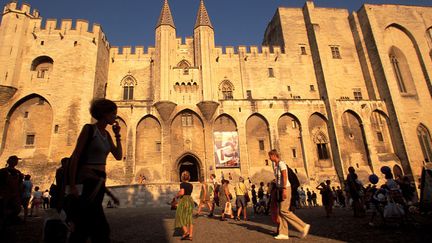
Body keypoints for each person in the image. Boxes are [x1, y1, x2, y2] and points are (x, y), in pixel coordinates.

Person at [68, 98, 122, 242]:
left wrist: (117, 135)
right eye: (113, 113)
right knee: (99, 227)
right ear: (104, 113)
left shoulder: (107, 134)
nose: (115, 116)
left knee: (86, 225)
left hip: (99, 181)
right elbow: (75, 156)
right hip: (88, 181)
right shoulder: (89, 129)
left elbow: (118, 156)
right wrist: (73, 185)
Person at [268, 149, 310, 240]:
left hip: (285, 188)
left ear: (274, 155)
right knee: (281, 212)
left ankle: (303, 226)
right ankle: (283, 233)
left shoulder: (281, 164)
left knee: (284, 210)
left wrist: (284, 189)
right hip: (280, 188)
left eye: (270, 156)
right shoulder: (276, 166)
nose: (269, 158)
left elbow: (284, 176)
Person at [0, 155, 24, 227]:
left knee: (12, 210)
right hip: (6, 195)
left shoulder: (18, 172)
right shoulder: (4, 171)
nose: (16, 162)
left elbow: (20, 185)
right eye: (15, 160)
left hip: (11, 196)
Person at [175, 171, 194, 241]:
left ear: (182, 177)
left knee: (180, 216)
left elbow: (182, 192)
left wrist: (177, 195)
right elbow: (187, 192)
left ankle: (186, 232)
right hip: (190, 200)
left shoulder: (182, 184)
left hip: (184, 200)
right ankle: (191, 235)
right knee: (190, 218)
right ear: (189, 177)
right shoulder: (191, 185)